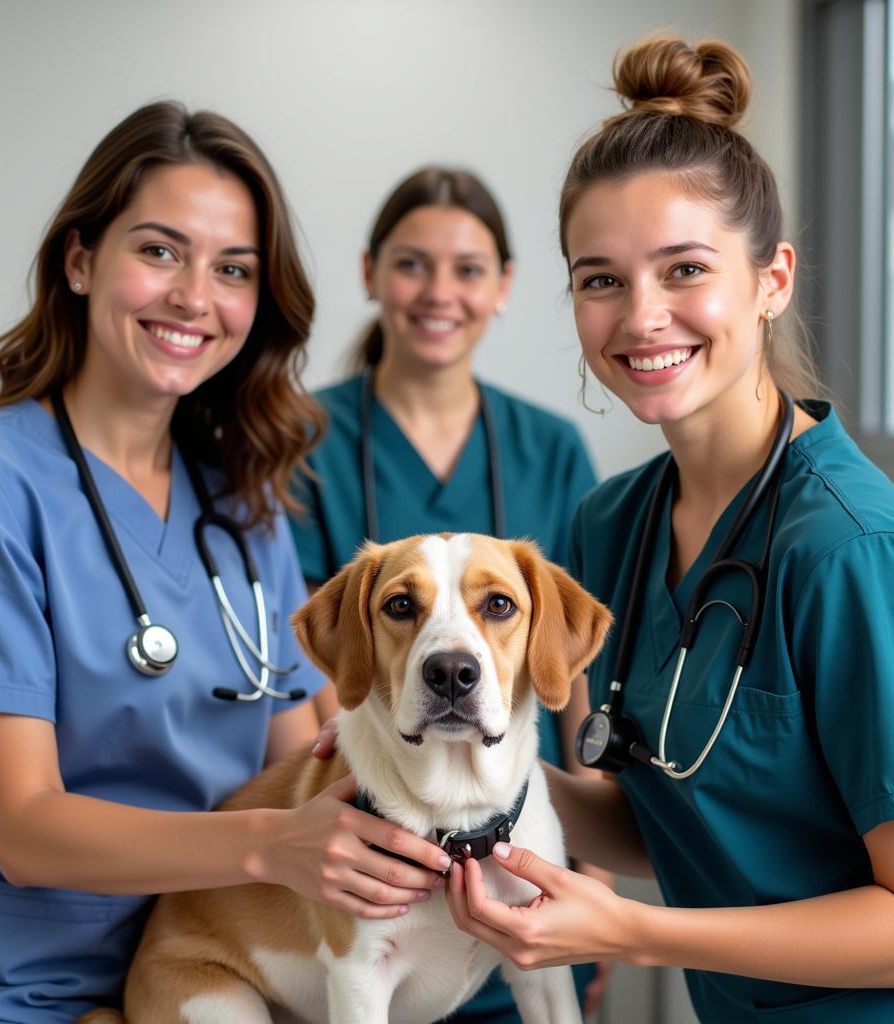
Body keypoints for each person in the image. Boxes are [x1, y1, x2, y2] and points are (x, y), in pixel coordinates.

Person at [0, 102, 452, 1023]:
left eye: (232, 269)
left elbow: (307, 757)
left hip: (219, 972)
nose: (196, 296)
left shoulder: (243, 506)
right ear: (79, 260)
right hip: (24, 993)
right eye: (159, 251)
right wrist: (268, 847)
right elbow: (25, 828)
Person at [446, 34, 894, 1023]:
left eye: (684, 269)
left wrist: (635, 931)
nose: (641, 318)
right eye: (601, 279)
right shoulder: (610, 525)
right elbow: (662, 821)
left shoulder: (847, 551)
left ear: (772, 279)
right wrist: (442, 768)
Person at [291, 167, 607, 1022]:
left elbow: (564, 674)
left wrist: (590, 872)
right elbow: (324, 659)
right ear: (368, 273)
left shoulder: (551, 446)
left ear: (504, 286)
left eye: (468, 269)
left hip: (518, 856)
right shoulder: (301, 441)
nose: (439, 292)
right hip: (381, 823)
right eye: (411, 264)